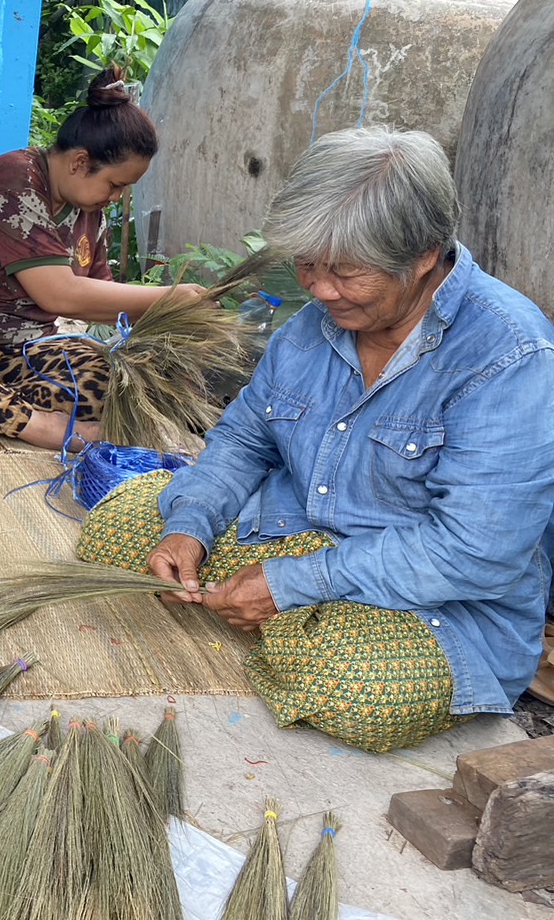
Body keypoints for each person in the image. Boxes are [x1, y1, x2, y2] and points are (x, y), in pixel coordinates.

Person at [78, 126, 554, 752]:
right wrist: (190, 524)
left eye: (348, 272)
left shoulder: (509, 353)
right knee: (119, 526)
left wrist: (290, 583)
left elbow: (475, 550)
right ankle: (272, 619)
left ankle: (279, 621)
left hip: (433, 599)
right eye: (309, 264)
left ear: (423, 256)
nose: (320, 289)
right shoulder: (313, 326)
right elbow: (248, 438)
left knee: (356, 689)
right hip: (291, 530)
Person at [0, 66, 208, 450]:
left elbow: (101, 298)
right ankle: (40, 426)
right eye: (116, 185)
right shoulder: (15, 178)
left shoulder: (89, 212)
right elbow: (58, 295)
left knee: (117, 386)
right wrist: (169, 296)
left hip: (29, 354)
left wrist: (167, 326)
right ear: (79, 163)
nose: (116, 197)